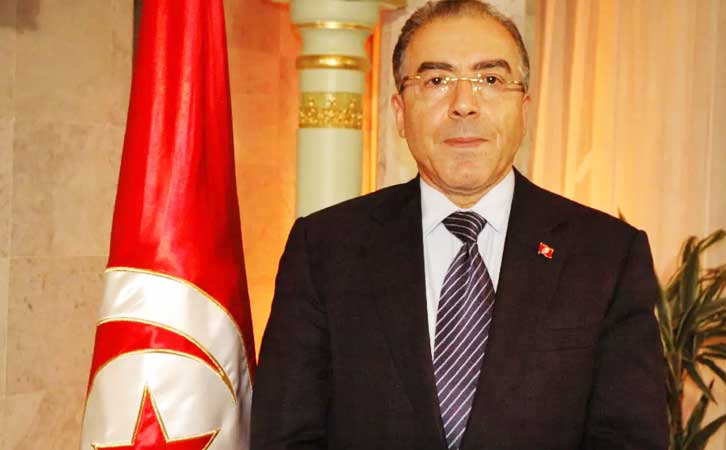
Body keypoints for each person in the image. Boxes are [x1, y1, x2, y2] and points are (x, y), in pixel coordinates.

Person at [250, 1, 669, 449]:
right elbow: (285, 438)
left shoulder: (606, 256)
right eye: (436, 81)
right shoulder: (324, 249)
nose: (464, 105)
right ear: (399, 112)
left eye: (490, 80)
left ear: (524, 108)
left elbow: (630, 441)